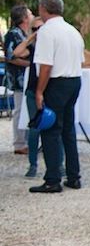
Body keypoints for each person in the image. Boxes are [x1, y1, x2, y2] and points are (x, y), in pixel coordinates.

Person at [30, 0, 84, 193]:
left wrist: (39, 91)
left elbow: (46, 65)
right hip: (74, 80)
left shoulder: (47, 31)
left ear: (43, 8)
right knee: (68, 129)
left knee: (51, 130)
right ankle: (73, 176)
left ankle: (52, 179)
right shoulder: (73, 31)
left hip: (56, 82)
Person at [12, 16, 45, 177]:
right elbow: (16, 53)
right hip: (32, 90)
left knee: (54, 129)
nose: (38, 31)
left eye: (41, 28)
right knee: (34, 128)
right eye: (34, 28)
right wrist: (31, 38)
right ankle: (33, 164)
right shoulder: (32, 48)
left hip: (49, 90)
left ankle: (59, 165)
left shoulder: (51, 45)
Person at [4, 5, 33, 155]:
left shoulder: (26, 33)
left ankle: (27, 141)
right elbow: (10, 56)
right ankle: (19, 143)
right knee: (20, 108)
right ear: (24, 18)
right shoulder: (13, 34)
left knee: (27, 108)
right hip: (19, 77)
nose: (33, 16)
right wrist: (29, 64)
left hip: (27, 76)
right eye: (30, 14)